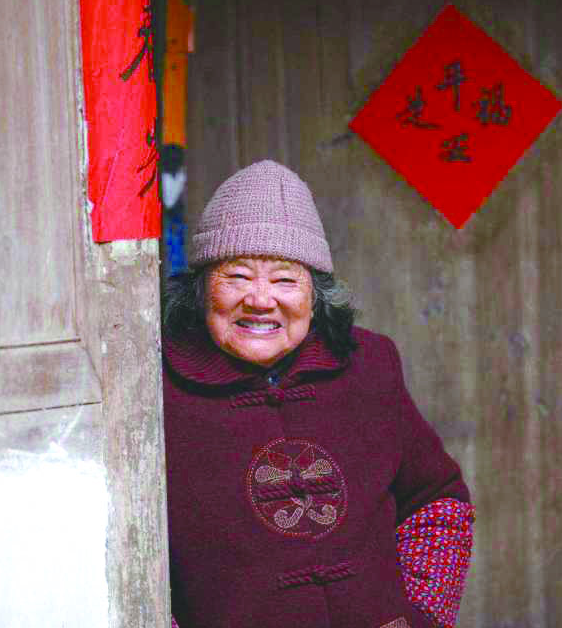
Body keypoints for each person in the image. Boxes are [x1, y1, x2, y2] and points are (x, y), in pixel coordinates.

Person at [162, 160, 474, 628]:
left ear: (316, 295)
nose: (261, 299)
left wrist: (423, 615)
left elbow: (437, 499)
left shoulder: (370, 365)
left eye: (285, 279)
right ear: (202, 290)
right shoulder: (158, 392)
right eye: (238, 276)